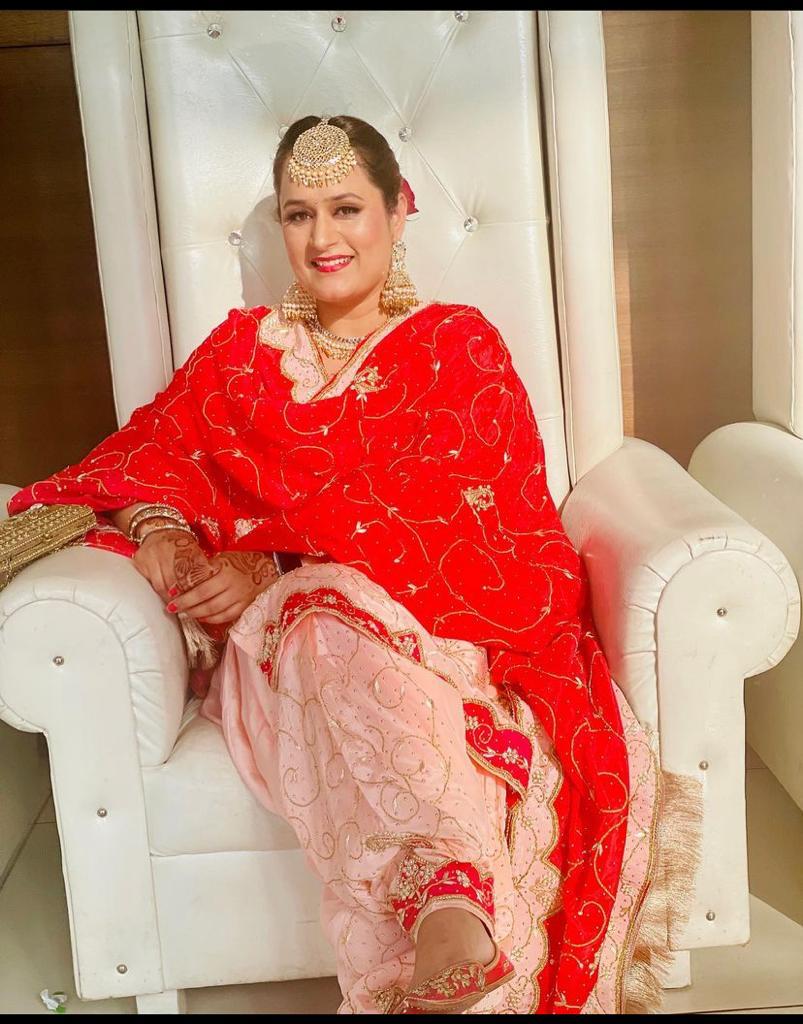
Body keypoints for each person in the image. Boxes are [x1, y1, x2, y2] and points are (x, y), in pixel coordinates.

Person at [7, 115, 701, 1014]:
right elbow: (149, 458)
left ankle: (442, 925)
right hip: (281, 655)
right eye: (299, 215)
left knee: (323, 601)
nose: (322, 238)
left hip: (436, 638)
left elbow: (476, 519)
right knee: (318, 614)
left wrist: (272, 566)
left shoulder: (457, 347)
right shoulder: (241, 356)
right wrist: (161, 529)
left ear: (398, 210)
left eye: (346, 208)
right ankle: (450, 903)